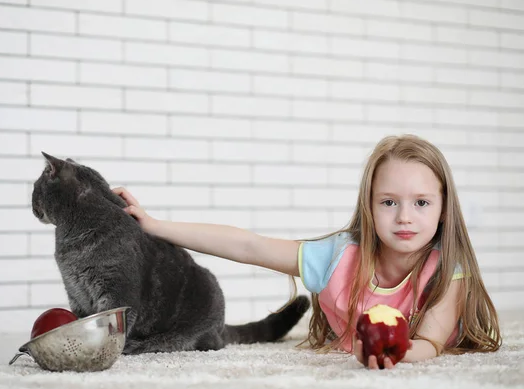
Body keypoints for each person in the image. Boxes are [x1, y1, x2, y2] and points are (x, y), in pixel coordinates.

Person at [112, 134, 501, 369]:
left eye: (421, 203)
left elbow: (431, 343)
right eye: (388, 202)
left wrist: (391, 354)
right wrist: (155, 225)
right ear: (369, 205)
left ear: (444, 207)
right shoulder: (338, 259)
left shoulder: (448, 268)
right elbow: (249, 245)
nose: (404, 218)